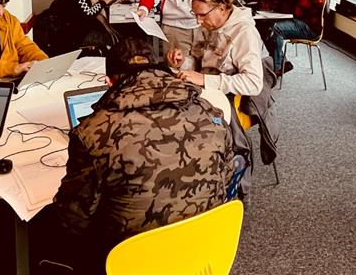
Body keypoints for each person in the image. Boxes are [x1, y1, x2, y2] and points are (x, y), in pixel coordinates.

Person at [30, 38, 233, 274]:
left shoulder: (95, 132)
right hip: (203, 248)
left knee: (46, 232)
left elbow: (73, 220)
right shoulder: (211, 113)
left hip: (135, 260)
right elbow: (225, 178)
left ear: (109, 81)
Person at [168, 0, 279, 177]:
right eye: (195, 15)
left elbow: (253, 83)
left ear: (221, 8)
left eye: (202, 14)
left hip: (232, 100)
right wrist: (182, 63)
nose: (199, 21)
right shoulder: (211, 25)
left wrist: (204, 80)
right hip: (210, 88)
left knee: (181, 120)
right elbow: (199, 61)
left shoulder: (244, 33)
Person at [268, 0, 323, 75]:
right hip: (296, 20)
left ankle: (277, 68)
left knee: (275, 29)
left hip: (308, 26)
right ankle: (282, 62)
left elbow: (298, 12)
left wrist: (279, 6)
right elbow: (280, 0)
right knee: (264, 26)